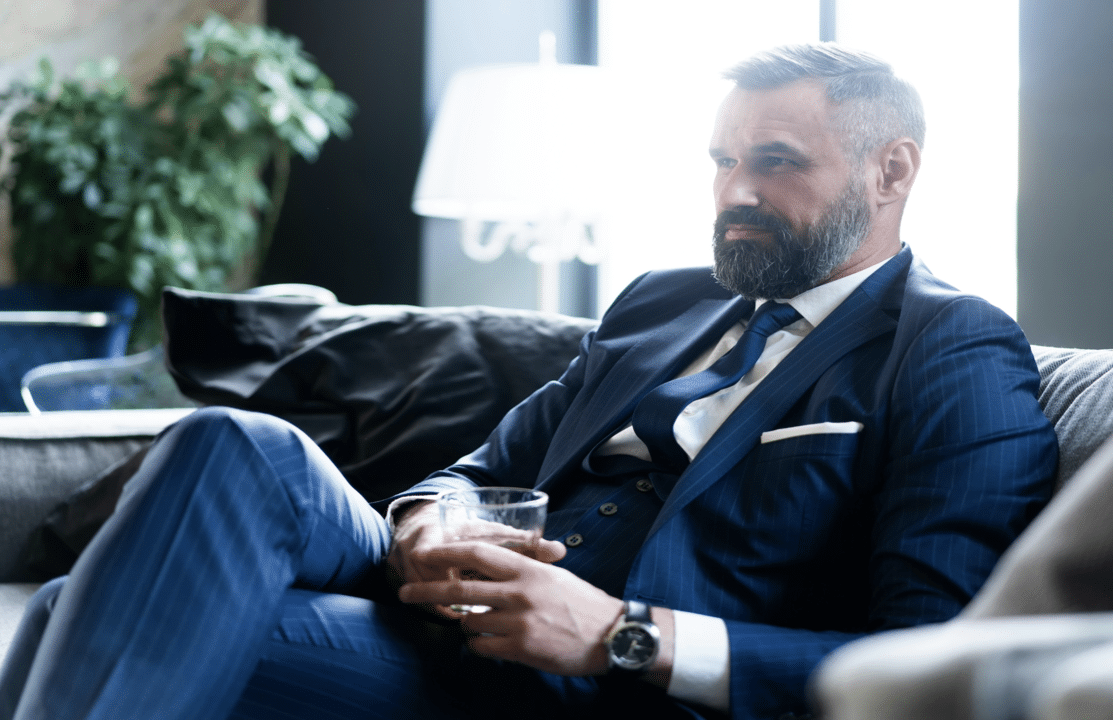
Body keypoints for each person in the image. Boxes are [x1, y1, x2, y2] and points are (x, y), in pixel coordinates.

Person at [0, 43, 1057, 720]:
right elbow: (479, 468)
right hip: (455, 615)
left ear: (890, 170)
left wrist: (620, 637)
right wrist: (431, 517)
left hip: (604, 685)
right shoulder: (662, 303)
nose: (734, 191)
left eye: (775, 161)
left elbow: (934, 666)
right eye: (721, 160)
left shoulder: (953, 350)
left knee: (65, 609)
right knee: (237, 443)